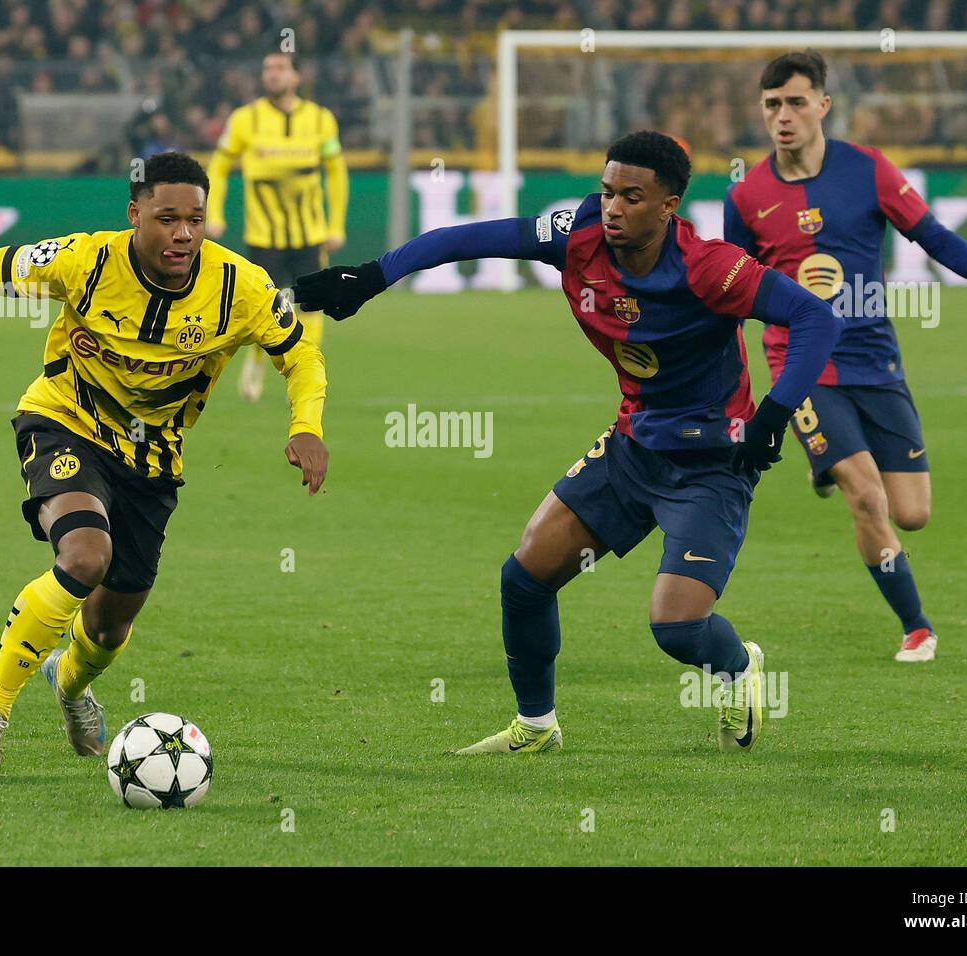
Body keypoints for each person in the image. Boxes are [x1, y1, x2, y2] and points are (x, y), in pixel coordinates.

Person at [295, 131, 843, 755]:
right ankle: (536, 725)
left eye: (632, 197)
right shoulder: (575, 235)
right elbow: (468, 238)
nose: (612, 207)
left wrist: (774, 413)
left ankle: (738, 667)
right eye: (607, 190)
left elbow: (815, 317)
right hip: (633, 447)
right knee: (525, 576)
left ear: (669, 207)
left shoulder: (709, 267)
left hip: (715, 462)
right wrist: (373, 275)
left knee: (678, 628)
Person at [0, 152, 329, 774]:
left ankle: (71, 686)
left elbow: (302, 357)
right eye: (167, 219)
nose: (183, 234)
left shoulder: (243, 287)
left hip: (154, 462)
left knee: (108, 628)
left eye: (195, 219)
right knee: (84, 555)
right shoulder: (85, 259)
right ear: (135, 214)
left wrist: (307, 427)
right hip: (65, 422)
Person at [724, 50, 967, 662]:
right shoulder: (745, 196)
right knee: (868, 497)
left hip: (875, 360)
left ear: (823, 106)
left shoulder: (868, 170)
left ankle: (822, 463)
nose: (784, 116)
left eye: (796, 102)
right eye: (772, 105)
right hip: (801, 365)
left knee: (912, 514)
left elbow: (929, 233)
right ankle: (916, 625)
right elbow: (733, 286)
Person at [206, 51, 348, 402]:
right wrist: (214, 213)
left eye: (280, 68)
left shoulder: (320, 119)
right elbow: (219, 165)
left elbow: (336, 171)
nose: (271, 74)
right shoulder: (245, 119)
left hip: (310, 234)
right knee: (266, 308)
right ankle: (256, 358)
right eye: (267, 68)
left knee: (313, 304)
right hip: (264, 235)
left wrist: (336, 224)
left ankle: (306, 370)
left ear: (297, 77)